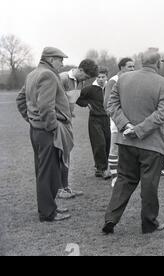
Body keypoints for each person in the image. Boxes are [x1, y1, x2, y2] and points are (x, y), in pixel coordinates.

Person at [102, 50, 164, 234]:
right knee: (149, 185)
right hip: (151, 144)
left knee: (124, 181)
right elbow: (162, 115)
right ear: (158, 63)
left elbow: (111, 105)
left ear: (141, 62)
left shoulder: (123, 79)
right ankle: (149, 224)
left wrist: (126, 126)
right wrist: (138, 130)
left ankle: (111, 219)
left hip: (126, 142)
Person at [16, 47, 73, 222]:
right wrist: (52, 127)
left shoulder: (33, 74)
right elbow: (46, 107)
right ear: (49, 59)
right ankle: (48, 213)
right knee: (47, 172)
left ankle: (50, 208)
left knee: (44, 170)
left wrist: (31, 119)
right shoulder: (48, 75)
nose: (62, 63)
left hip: (37, 130)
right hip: (47, 131)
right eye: (59, 59)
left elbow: (20, 99)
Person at [58, 59, 98, 199]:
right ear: (80, 70)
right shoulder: (62, 78)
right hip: (58, 121)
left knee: (67, 154)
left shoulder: (80, 82)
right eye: (86, 77)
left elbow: (73, 99)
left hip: (67, 121)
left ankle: (66, 187)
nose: (86, 80)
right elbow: (53, 100)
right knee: (60, 154)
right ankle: (59, 189)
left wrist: (84, 104)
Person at [104, 58, 135, 187]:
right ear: (121, 67)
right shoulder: (113, 81)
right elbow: (107, 103)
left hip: (132, 119)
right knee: (115, 147)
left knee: (130, 147)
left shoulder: (133, 79)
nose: (133, 69)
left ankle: (126, 174)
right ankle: (115, 177)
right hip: (118, 119)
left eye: (134, 67)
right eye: (130, 67)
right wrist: (117, 117)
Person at [76, 66, 111, 180]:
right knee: (99, 143)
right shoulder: (90, 89)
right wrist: (86, 104)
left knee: (107, 143)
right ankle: (102, 169)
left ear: (107, 77)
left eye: (103, 77)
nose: (101, 79)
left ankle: (101, 167)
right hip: (95, 120)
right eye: (99, 77)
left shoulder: (110, 88)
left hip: (107, 119)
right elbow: (78, 98)